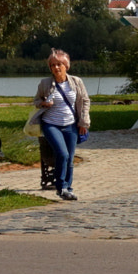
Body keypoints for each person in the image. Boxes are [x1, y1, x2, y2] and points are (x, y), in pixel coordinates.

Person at [28, 49, 91, 201]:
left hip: (71, 124)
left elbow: (85, 101)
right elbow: (35, 101)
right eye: (53, 65)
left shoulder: (76, 82)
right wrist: (43, 103)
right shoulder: (45, 83)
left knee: (69, 158)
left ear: (66, 66)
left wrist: (84, 122)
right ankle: (60, 186)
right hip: (51, 124)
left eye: (59, 64)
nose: (56, 68)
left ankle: (67, 188)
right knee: (62, 154)